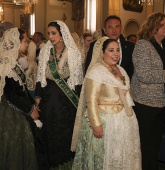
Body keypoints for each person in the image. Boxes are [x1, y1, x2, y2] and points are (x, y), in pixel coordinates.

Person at [71, 37, 141, 170]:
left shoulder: (122, 70)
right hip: (104, 120)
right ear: (102, 53)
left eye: (117, 50)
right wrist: (96, 124)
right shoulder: (96, 72)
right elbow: (91, 100)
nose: (116, 54)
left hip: (124, 120)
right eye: (111, 50)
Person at [34, 20, 83, 169]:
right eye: (49, 33)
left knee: (65, 135)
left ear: (62, 34)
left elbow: (78, 82)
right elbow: (40, 78)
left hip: (67, 102)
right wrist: (37, 99)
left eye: (53, 33)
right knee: (50, 133)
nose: (50, 36)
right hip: (49, 100)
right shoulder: (45, 52)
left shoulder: (73, 53)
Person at [130, 12, 165, 170]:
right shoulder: (143, 45)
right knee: (144, 144)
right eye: (162, 24)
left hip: (162, 102)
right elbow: (144, 74)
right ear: (153, 26)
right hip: (145, 103)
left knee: (155, 143)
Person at [0, 28, 39, 170]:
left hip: (18, 108)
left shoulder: (14, 61)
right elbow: (11, 95)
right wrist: (30, 110)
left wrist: (33, 103)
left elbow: (22, 88)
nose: (27, 44)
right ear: (16, 42)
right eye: (24, 41)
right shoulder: (7, 64)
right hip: (10, 113)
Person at [85, 15, 135, 80]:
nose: (114, 30)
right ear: (105, 30)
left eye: (117, 26)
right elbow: (89, 69)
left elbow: (132, 71)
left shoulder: (130, 47)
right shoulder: (96, 46)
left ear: (121, 29)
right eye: (110, 27)